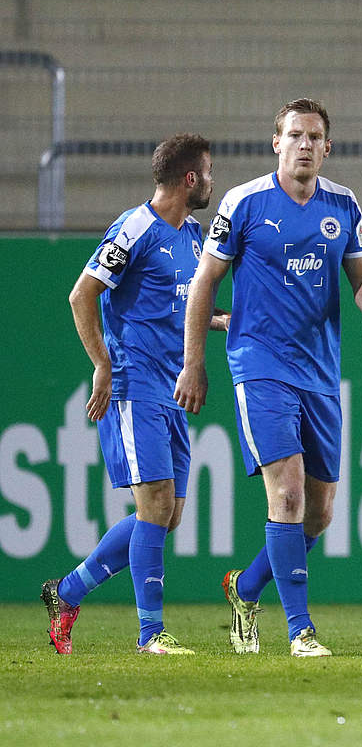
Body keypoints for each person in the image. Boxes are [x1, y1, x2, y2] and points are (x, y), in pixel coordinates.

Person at [177, 98, 362, 658]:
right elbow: (204, 284)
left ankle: (245, 588)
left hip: (320, 372)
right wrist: (194, 362)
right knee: (289, 493)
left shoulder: (342, 205)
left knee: (318, 516)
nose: (304, 143)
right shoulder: (243, 203)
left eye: (314, 136)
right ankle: (301, 630)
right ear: (276, 143)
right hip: (259, 363)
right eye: (294, 134)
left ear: (328, 147)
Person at [42, 133, 221, 655]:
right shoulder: (135, 228)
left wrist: (220, 320)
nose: (212, 180)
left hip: (174, 388)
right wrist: (102, 364)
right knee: (156, 505)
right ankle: (151, 635)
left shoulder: (192, 233)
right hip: (134, 383)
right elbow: (82, 294)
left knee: (168, 514)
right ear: (191, 178)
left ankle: (67, 591)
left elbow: (177, 306)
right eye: (208, 171)